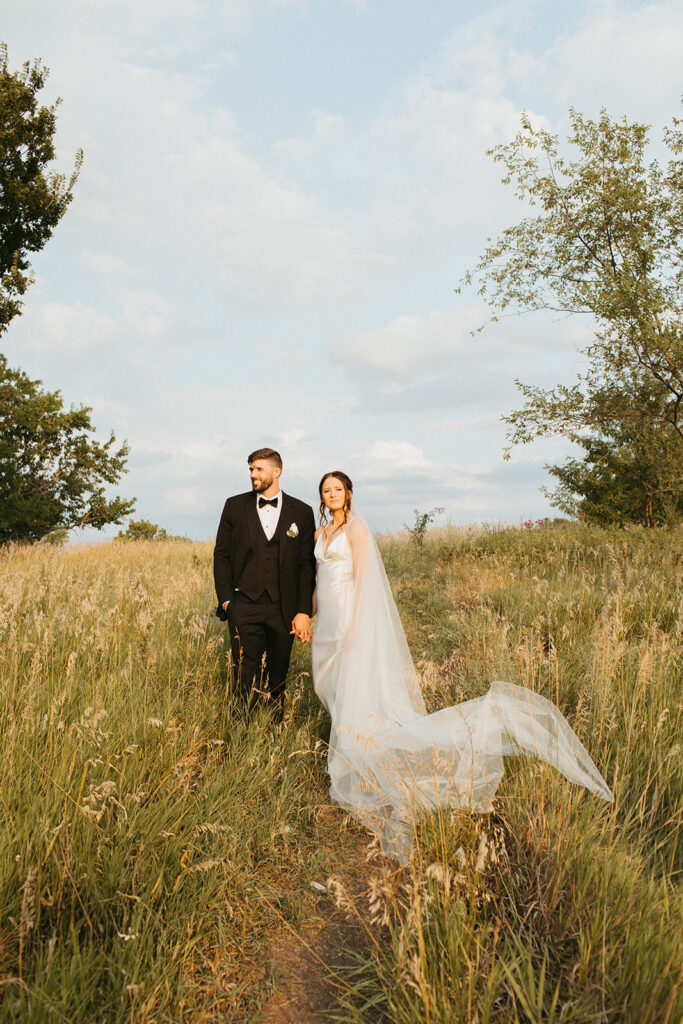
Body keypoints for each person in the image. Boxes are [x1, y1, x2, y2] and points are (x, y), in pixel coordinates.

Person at [310, 471, 613, 862]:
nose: (331, 494)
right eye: (325, 490)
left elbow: (365, 578)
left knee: (354, 690)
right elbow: (320, 579)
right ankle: (353, 748)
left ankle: (356, 758)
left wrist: (356, 629)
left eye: (337, 489)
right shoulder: (321, 534)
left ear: (348, 493)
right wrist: (307, 615)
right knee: (333, 688)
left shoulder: (357, 528)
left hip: (351, 618)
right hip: (326, 623)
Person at [213, 448, 316, 720]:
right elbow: (221, 555)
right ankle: (241, 734)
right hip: (243, 604)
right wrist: (226, 601)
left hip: (284, 607)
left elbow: (306, 566)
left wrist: (303, 611)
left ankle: (273, 735)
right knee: (244, 675)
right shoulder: (234, 506)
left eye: (259, 469)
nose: (253, 474)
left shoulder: (302, 512)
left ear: (276, 471)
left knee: (278, 675)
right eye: (250, 469)